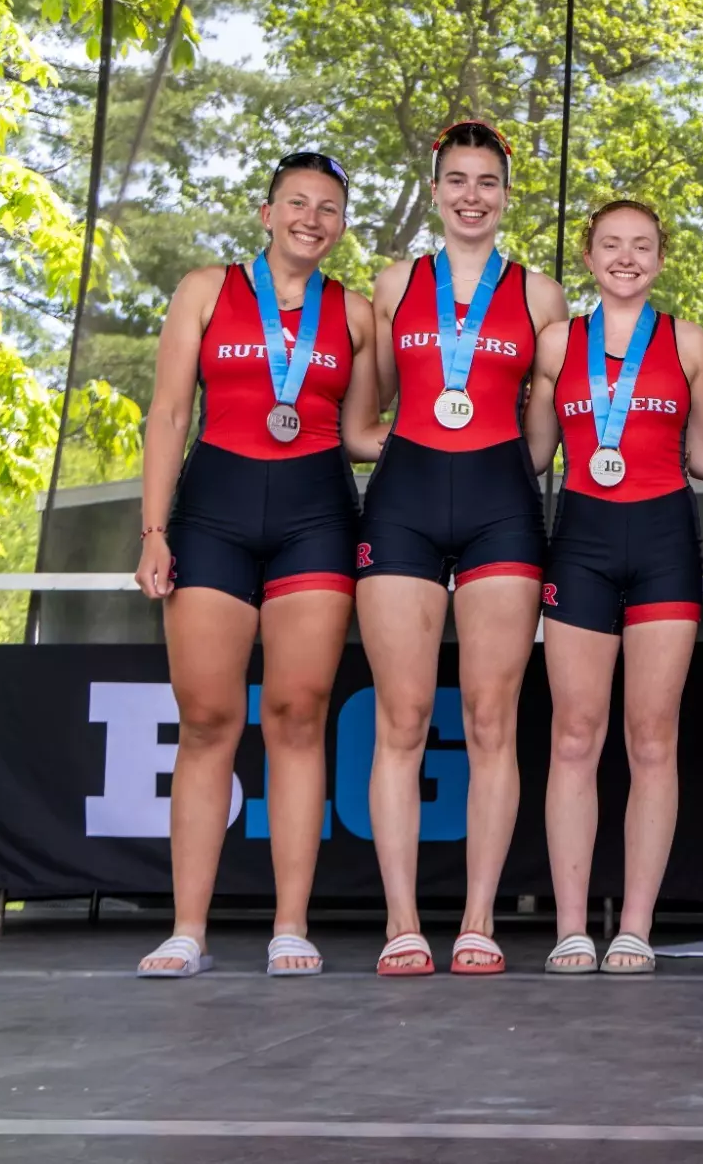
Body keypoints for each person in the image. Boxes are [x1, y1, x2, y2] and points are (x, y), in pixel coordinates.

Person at [134, 151, 383, 977]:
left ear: (341, 225)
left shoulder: (351, 314)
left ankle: (289, 925)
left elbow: (360, 434)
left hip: (316, 516)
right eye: (298, 203)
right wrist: (153, 529)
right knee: (207, 721)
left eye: (329, 208)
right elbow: (170, 413)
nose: (313, 219)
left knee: (298, 715)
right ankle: (188, 929)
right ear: (267, 211)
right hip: (213, 516)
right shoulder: (206, 290)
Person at [357, 121, 570, 977]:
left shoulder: (543, 295)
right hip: (404, 501)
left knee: (491, 720)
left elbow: (544, 439)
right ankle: (402, 921)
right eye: (458, 180)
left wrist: (487, 463)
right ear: (437, 188)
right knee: (401, 719)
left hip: (501, 510)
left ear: (506, 196)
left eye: (487, 182)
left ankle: (479, 917)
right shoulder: (394, 282)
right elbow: (360, 420)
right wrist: (423, 446)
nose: (472, 195)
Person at [523, 200, 703, 975]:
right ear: (587, 255)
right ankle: (573, 924)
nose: (625, 257)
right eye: (611, 244)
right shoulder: (558, 343)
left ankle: (636, 926)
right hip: (579, 542)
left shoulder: (687, 340)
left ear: (661, 257)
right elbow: (533, 456)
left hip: (663, 546)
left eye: (641, 245)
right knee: (574, 737)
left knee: (653, 738)